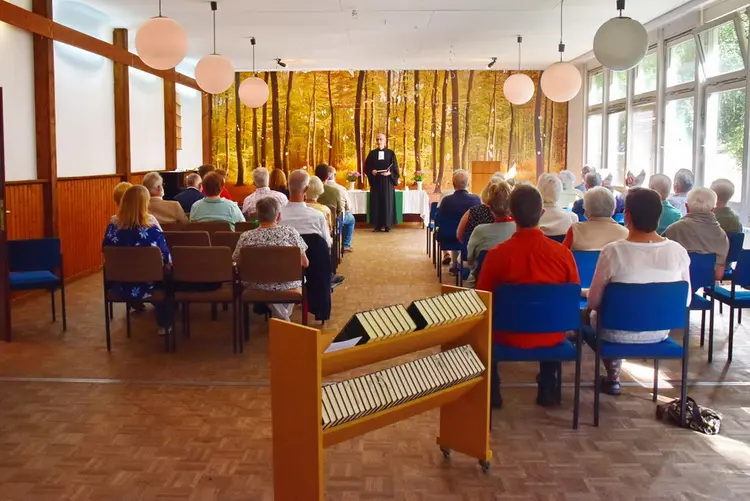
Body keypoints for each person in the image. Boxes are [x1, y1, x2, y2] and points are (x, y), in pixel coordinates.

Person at [476, 185, 580, 408]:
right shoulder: (563, 255)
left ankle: (493, 389)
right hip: (553, 335)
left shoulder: (496, 256)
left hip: (506, 335)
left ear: (511, 214)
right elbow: (571, 296)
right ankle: (548, 386)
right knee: (548, 314)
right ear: (542, 213)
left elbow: (482, 299)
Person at [585, 187, 691, 396]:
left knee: (593, 316)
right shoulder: (677, 251)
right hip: (659, 331)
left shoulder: (613, 251)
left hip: (614, 331)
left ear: (626, 216)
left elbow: (594, 301)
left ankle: (613, 376)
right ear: (658, 216)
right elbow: (685, 300)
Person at [102, 185, 173, 335]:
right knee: (168, 276)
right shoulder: (152, 230)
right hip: (150, 284)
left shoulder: (112, 228)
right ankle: (164, 323)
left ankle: (135, 303)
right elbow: (165, 258)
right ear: (145, 204)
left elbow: (105, 251)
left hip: (120, 283)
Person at [233, 197, 309, 322]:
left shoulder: (246, 236)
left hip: (256, 283)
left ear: (257, 216)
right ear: (278, 216)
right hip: (288, 282)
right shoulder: (290, 232)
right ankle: (284, 321)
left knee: (267, 284)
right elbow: (305, 263)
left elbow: (236, 262)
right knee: (295, 280)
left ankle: (281, 319)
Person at [280, 170, 345, 289]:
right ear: (306, 189)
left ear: (288, 186)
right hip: (314, 272)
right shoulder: (317, 216)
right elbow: (327, 243)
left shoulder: (278, 215)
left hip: (282, 269)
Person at [664, 187, 729, 280]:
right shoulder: (722, 235)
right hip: (706, 281)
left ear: (686, 207)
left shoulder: (674, 229)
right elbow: (718, 275)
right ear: (713, 210)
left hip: (677, 283)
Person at [465, 181, 515, 288]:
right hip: (513, 285)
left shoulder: (479, 231)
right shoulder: (519, 230)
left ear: (489, 207)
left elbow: (470, 259)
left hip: (482, 288)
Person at [438, 169, 481, 274]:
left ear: (453, 184)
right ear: (468, 184)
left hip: (448, 237)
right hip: (470, 238)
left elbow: (439, 220)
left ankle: (455, 263)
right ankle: (464, 264)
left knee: (452, 230)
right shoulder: (476, 199)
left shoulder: (446, 201)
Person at [563, 187, 628, 251]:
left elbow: (562, 254)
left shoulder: (575, 230)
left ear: (587, 209)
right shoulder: (625, 233)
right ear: (613, 207)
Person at [365, 133, 400, 232]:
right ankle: (377, 225)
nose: (379, 141)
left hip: (387, 182)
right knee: (377, 203)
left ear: (385, 141)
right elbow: (367, 167)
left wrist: (390, 173)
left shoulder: (391, 153)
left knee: (387, 202)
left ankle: (387, 225)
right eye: (377, 140)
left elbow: (395, 168)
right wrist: (372, 171)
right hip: (376, 182)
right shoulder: (372, 153)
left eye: (381, 139)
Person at [456, 173, 505, 244]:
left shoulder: (473, 211)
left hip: (475, 252)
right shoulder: (510, 215)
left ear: (486, 191)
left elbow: (459, 235)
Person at [325, 165, 355, 252]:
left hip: (323, 218)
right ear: (335, 176)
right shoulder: (341, 189)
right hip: (337, 219)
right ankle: (346, 244)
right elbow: (348, 207)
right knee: (351, 219)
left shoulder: (320, 188)